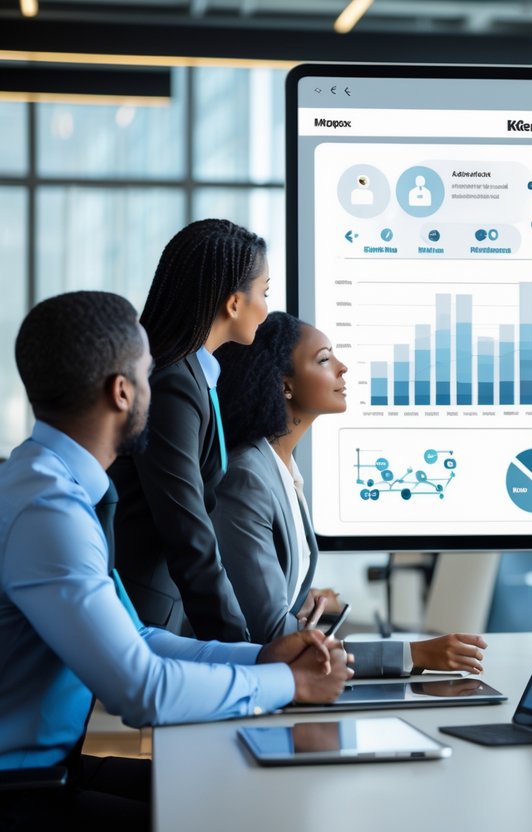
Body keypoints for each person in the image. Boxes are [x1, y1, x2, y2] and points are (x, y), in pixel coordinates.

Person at [0, 292, 352, 830]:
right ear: (122, 393)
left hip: (50, 770)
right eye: (150, 374)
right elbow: (140, 690)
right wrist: (290, 684)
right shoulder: (49, 512)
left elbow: (137, 637)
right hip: (22, 788)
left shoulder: (51, 485)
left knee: (237, 793)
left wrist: (260, 660)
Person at [213, 312, 488, 673]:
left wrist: (299, 600)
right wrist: (412, 655)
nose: (342, 368)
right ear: (284, 385)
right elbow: (274, 638)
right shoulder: (248, 476)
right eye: (324, 359)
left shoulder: (280, 470)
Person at [109, 219, 271, 641]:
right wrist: (244, 652)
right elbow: (187, 530)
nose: (267, 308)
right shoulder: (172, 383)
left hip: (166, 608)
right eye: (264, 292)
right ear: (234, 303)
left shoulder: (198, 375)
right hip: (143, 618)